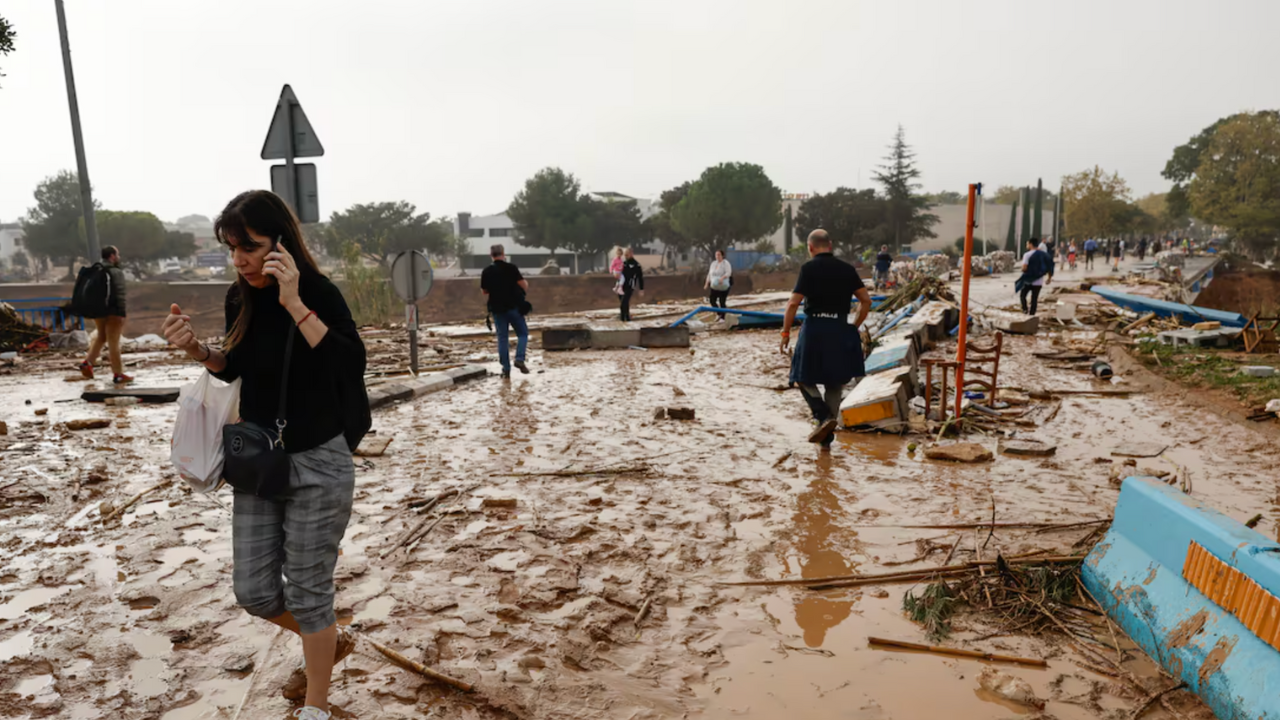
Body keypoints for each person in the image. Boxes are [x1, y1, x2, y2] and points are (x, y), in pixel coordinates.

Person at [159, 190, 368, 720]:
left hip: (320, 461)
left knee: (309, 592)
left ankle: (316, 708)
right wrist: (197, 351)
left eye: (248, 247)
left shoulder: (319, 291)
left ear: (281, 242)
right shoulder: (240, 296)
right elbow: (234, 368)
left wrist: (295, 303)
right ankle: (329, 639)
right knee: (253, 591)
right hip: (258, 462)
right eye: (232, 249)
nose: (240, 260)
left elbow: (348, 364)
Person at [780, 230, 872, 448]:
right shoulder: (847, 269)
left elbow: (793, 304)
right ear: (830, 245)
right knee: (834, 382)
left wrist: (785, 333)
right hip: (839, 327)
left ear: (810, 248)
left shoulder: (808, 269)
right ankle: (826, 441)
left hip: (814, 328)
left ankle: (822, 416)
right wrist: (853, 326)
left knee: (800, 375)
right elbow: (866, 301)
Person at [78, 245, 132, 384]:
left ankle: (88, 363)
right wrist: (121, 313)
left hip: (98, 311)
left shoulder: (96, 270)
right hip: (113, 312)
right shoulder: (115, 272)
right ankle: (118, 374)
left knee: (101, 336)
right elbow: (119, 294)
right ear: (112, 256)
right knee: (113, 342)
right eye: (117, 255)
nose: (118, 257)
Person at [480, 244, 530, 378]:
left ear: (491, 255)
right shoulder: (511, 268)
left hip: (497, 310)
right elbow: (524, 285)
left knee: (502, 338)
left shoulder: (487, 271)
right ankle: (519, 359)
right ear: (503, 253)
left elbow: (484, 291)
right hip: (514, 307)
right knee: (523, 334)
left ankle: (506, 369)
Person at [1016, 237, 1051, 315]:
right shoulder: (1043, 255)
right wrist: (1049, 278)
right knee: (1034, 299)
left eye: (1027, 244)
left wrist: (1022, 270)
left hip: (1028, 281)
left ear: (1031, 244)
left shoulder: (1027, 255)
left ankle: (1025, 310)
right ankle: (1032, 314)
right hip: (1039, 281)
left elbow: (1024, 267)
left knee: (1022, 295)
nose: (1027, 245)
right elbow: (1049, 267)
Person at [704, 250, 733, 320]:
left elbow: (728, 272)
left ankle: (723, 317)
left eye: (719, 255)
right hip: (715, 285)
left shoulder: (725, 263)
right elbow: (710, 274)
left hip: (723, 285)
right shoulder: (713, 264)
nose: (717, 256)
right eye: (716, 255)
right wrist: (707, 283)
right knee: (712, 300)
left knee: (722, 301)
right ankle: (719, 313)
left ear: (722, 255)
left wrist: (722, 278)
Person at [619, 248, 644, 321]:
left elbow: (640, 278)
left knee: (623, 303)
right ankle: (626, 317)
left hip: (630, 286)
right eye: (625, 254)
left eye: (627, 254)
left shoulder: (637, 265)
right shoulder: (624, 264)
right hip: (622, 286)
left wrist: (641, 289)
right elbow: (620, 275)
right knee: (625, 303)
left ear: (631, 254)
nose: (626, 255)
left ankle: (623, 318)